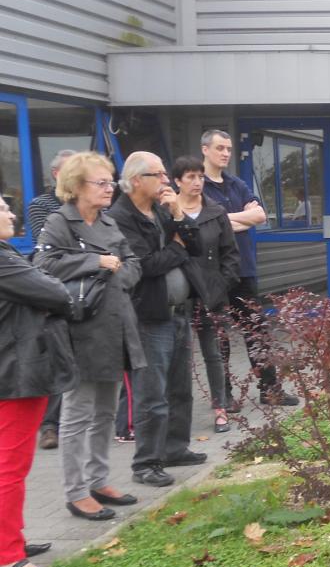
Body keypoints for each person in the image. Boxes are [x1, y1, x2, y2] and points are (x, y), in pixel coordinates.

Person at [34, 152, 144, 521]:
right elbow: (43, 265)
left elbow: (133, 263)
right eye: (102, 183)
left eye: (111, 182)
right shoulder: (59, 222)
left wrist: (119, 275)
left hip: (116, 327)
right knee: (77, 414)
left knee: (106, 412)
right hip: (80, 330)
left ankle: (98, 480)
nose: (109, 188)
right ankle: (75, 491)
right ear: (76, 186)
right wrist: (95, 262)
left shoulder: (110, 222)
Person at [107, 152, 208, 488]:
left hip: (178, 311)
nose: (166, 180)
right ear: (137, 180)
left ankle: (175, 448)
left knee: (180, 389)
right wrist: (177, 248)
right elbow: (146, 265)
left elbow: (196, 246)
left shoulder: (162, 210)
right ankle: (146, 462)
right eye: (159, 174)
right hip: (149, 315)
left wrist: (179, 215)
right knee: (153, 394)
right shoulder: (121, 217)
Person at [0, 194, 77, 567]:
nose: (12, 212)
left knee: (13, 462)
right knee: (10, 466)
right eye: (2, 208)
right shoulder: (2, 260)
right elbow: (57, 291)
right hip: (15, 373)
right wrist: (48, 291)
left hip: (17, 368)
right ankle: (8, 556)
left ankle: (10, 538)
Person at [200, 129, 298, 407]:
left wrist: (221, 219)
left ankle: (270, 389)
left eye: (228, 149)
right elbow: (200, 221)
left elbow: (260, 215)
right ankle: (225, 395)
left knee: (257, 332)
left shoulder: (236, 183)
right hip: (213, 273)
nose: (225, 153)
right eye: (220, 148)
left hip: (243, 269)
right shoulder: (197, 186)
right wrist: (239, 220)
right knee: (220, 337)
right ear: (205, 149)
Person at [171, 155, 240, 433]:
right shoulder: (167, 212)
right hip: (179, 294)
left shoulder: (216, 211)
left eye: (200, 176)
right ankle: (177, 416)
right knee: (179, 356)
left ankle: (221, 408)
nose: (197, 182)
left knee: (214, 353)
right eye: (190, 177)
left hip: (211, 292)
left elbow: (230, 254)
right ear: (177, 181)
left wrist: (221, 284)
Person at [26, 149, 78, 451]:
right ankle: (49, 425)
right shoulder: (41, 205)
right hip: (53, 288)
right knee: (59, 355)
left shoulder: (90, 206)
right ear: (58, 174)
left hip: (86, 291)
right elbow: (51, 246)